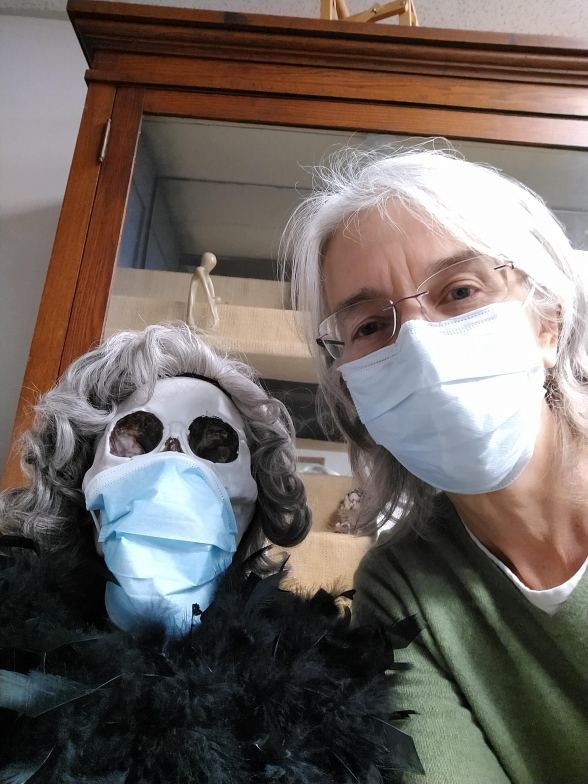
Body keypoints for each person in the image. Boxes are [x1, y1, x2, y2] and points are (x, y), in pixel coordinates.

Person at [284, 146, 588, 784]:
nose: (421, 347)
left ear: (548, 321)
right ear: (353, 390)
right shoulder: (401, 588)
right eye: (371, 326)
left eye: (460, 291)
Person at [0, 323, 421, 783]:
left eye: (213, 444)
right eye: (135, 440)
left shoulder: (323, 700)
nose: (172, 470)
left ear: (252, 504)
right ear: (83, 488)